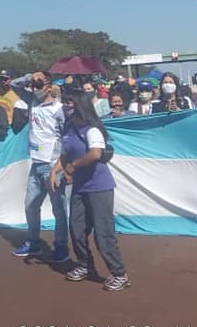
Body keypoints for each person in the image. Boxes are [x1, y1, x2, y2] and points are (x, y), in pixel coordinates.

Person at [51, 91, 130, 291]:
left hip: (99, 187)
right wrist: (54, 172)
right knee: (76, 229)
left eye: (69, 102)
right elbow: (65, 155)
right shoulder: (68, 129)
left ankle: (119, 273)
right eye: (64, 102)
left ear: (80, 105)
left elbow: (95, 154)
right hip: (79, 187)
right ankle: (85, 266)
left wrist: (72, 167)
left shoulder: (92, 129)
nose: (65, 105)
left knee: (103, 233)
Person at [10, 71, 69, 261]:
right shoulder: (31, 101)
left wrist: (62, 167)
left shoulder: (60, 109)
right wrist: (29, 77)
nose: (35, 88)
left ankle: (61, 246)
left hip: (53, 166)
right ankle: (33, 242)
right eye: (33, 85)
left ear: (49, 86)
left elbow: (66, 138)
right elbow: (13, 85)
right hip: (36, 164)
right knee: (30, 205)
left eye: (39, 84)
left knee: (58, 209)